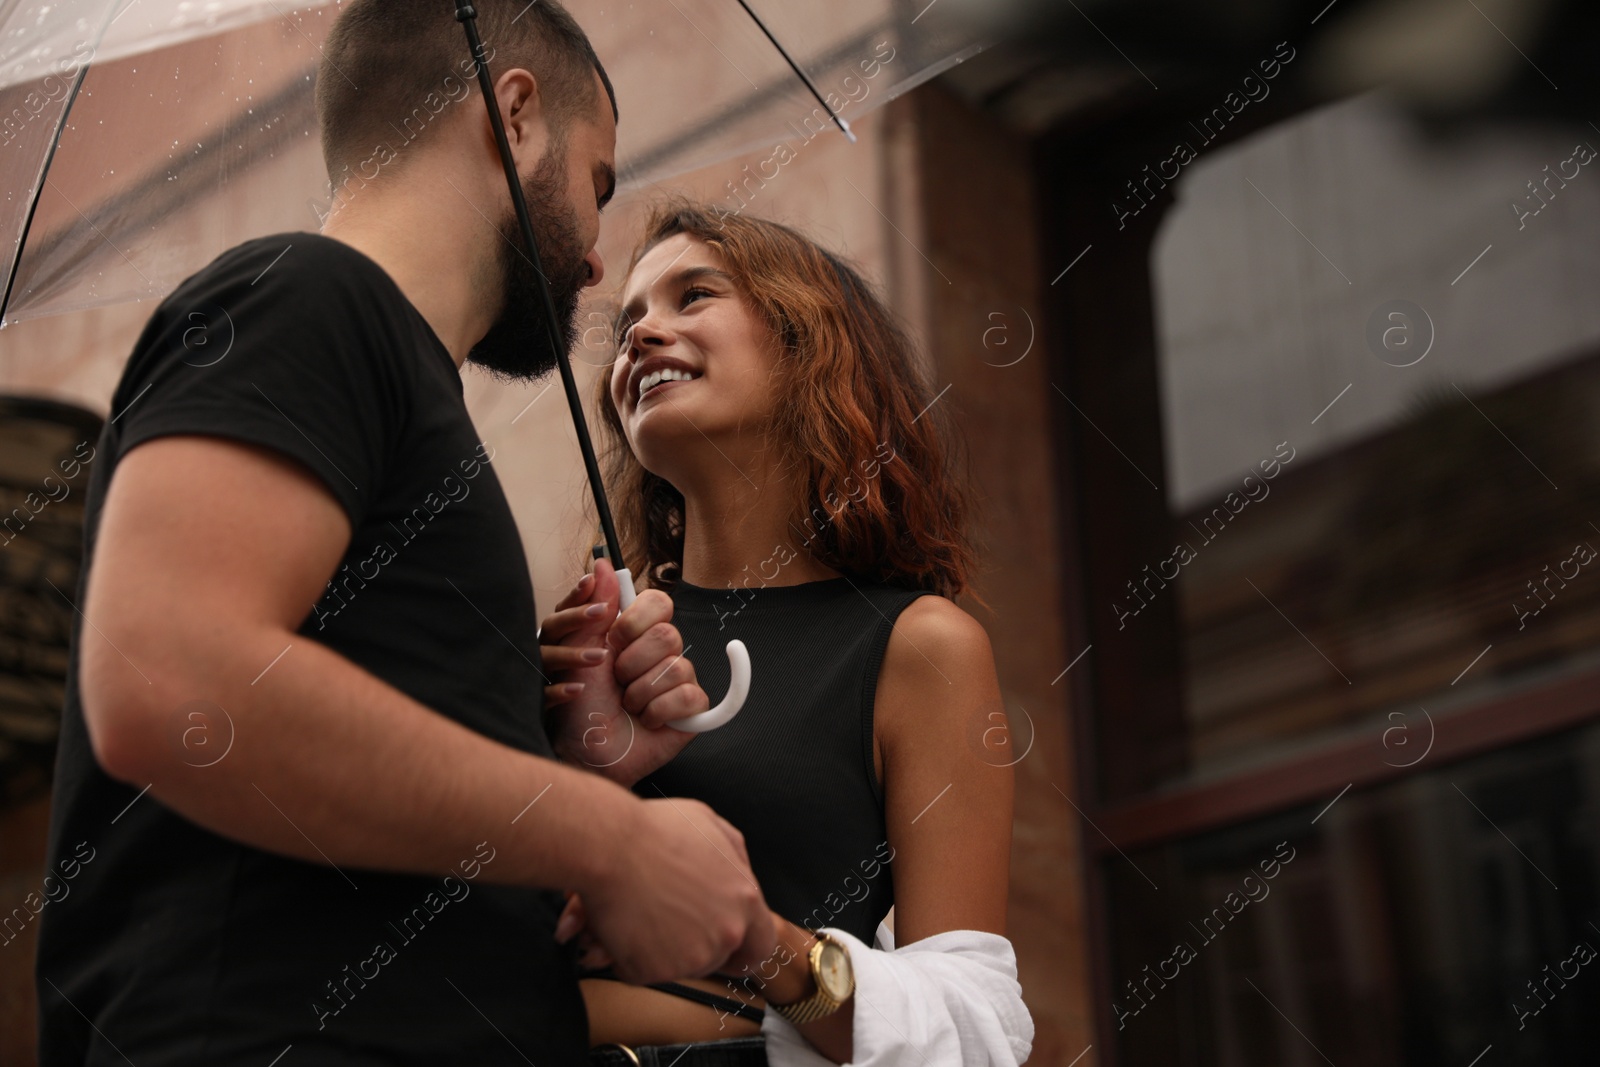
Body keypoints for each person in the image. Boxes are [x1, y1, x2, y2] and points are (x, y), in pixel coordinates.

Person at [34, 5, 775, 1064]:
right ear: (514, 115)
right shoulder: (308, 297)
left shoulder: (383, 371)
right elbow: (171, 678)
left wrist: (567, 758)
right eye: (597, 184)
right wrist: (607, 838)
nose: (596, 264)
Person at [538, 204, 1035, 1065]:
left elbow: (977, 1028)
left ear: (810, 344)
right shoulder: (592, 652)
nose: (643, 334)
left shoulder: (917, 647)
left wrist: (757, 940)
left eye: (694, 295)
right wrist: (569, 769)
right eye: (627, 324)